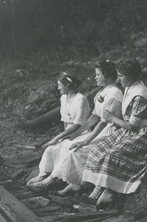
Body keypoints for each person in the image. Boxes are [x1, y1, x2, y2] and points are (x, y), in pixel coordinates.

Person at [27, 60, 123, 194]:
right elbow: (94, 117)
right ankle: (50, 175)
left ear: (105, 74)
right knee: (65, 144)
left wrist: (85, 141)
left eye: (97, 74)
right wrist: (77, 134)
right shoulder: (103, 92)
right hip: (101, 130)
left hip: (110, 133)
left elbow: (103, 122)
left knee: (76, 151)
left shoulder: (115, 93)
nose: (95, 77)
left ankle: (55, 181)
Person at [81, 58, 147, 209]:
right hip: (128, 130)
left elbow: (132, 126)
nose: (118, 79)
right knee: (98, 150)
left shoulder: (140, 95)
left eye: (121, 76)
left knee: (113, 155)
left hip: (143, 134)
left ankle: (106, 193)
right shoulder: (130, 88)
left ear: (131, 76)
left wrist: (112, 118)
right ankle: (97, 192)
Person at [26, 71, 91, 186]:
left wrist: (59, 137)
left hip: (82, 132)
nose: (58, 88)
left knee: (68, 151)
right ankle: (43, 174)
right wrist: (62, 137)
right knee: (52, 148)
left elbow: (78, 124)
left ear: (68, 85)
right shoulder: (63, 98)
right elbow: (66, 121)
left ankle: (53, 178)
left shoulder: (81, 99)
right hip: (68, 132)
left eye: (60, 85)